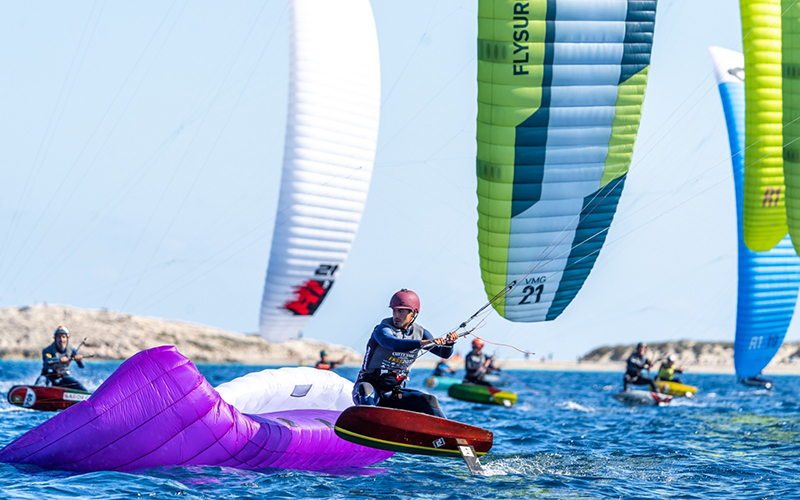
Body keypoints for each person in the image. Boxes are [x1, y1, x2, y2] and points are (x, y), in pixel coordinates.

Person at [353, 289, 458, 418]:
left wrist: (449, 343)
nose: (396, 315)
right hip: (368, 390)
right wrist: (423, 343)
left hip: (393, 393)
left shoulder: (420, 333)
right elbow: (394, 344)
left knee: (430, 400)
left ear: (414, 313)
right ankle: (367, 422)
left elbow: (443, 354)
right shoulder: (382, 329)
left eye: (401, 311)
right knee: (365, 390)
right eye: (394, 311)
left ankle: (446, 429)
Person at [41, 326, 87, 391]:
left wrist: (79, 360)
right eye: (59, 337)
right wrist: (59, 360)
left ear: (67, 338)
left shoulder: (72, 351)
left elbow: (82, 366)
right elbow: (47, 361)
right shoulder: (47, 350)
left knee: (79, 386)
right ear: (55, 338)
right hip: (48, 377)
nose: (61, 340)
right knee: (40, 382)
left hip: (63, 378)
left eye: (63, 337)